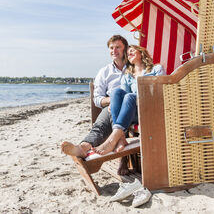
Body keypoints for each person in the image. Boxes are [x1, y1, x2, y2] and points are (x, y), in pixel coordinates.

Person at [61, 35, 130, 175]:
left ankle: (122, 158)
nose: (114, 50)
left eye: (118, 47)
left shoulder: (133, 67)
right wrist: (113, 101)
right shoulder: (104, 72)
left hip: (132, 108)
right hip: (111, 107)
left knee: (122, 104)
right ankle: (83, 147)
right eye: (111, 48)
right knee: (100, 125)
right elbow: (97, 99)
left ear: (125, 49)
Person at [94, 45, 165, 155]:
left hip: (150, 109)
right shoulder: (127, 76)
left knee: (130, 96)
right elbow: (122, 96)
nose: (129, 53)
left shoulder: (157, 69)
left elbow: (162, 90)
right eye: (127, 53)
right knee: (116, 92)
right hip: (133, 113)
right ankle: (120, 136)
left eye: (132, 50)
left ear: (141, 53)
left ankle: (113, 138)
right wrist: (113, 103)